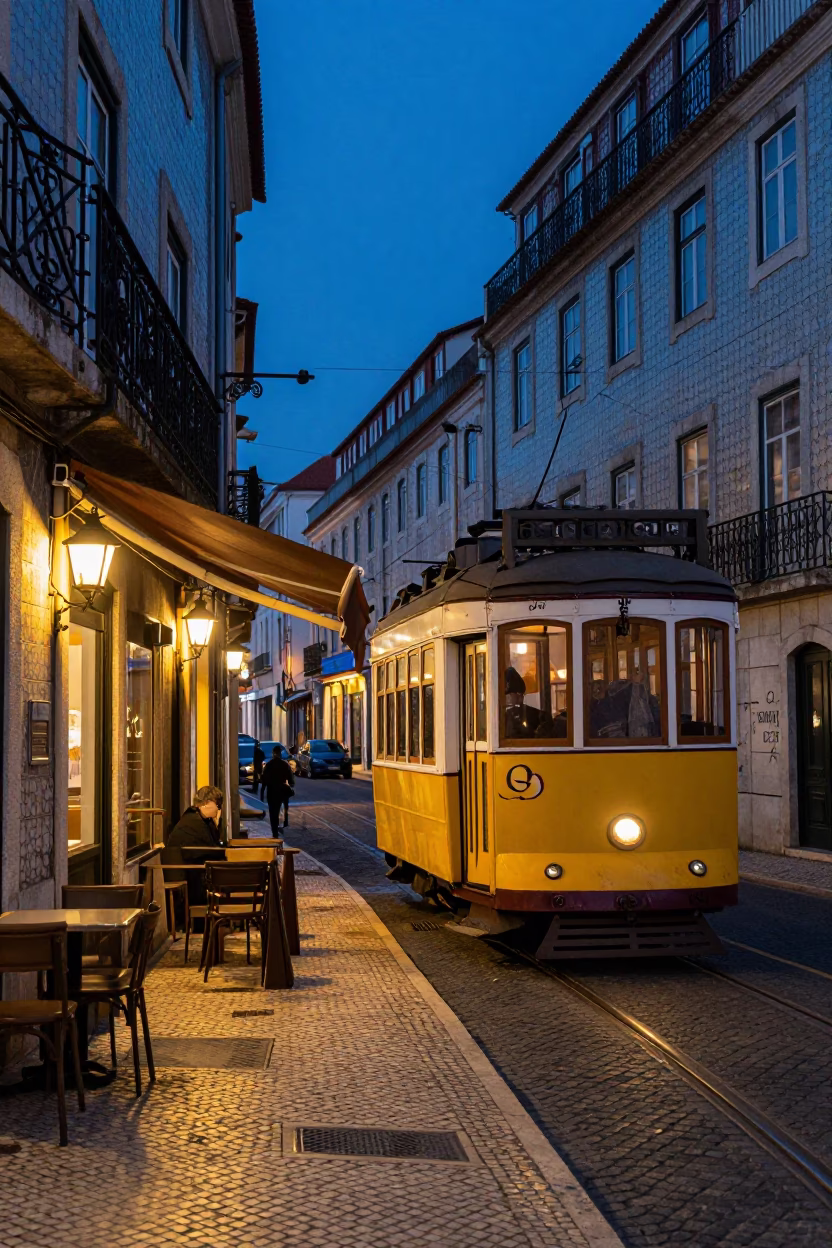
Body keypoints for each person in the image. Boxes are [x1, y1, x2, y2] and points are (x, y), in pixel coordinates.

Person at [164, 785, 225, 908]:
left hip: (190, 873)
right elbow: (213, 849)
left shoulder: (197, 818)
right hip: (189, 878)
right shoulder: (195, 823)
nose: (219, 809)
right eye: (218, 805)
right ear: (207, 803)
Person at [260, 745, 294, 834]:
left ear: (273, 753)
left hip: (271, 791)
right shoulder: (285, 764)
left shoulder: (268, 765)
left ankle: (274, 831)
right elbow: (291, 780)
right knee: (281, 808)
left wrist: (262, 794)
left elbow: (264, 781)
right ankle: (283, 823)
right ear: (280, 753)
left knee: (272, 812)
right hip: (282, 791)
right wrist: (289, 785)